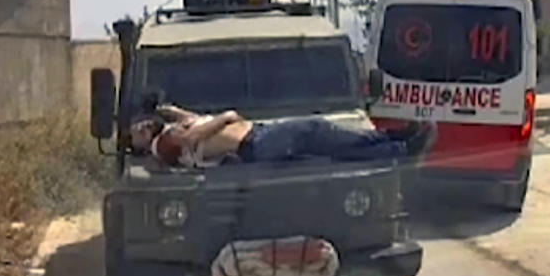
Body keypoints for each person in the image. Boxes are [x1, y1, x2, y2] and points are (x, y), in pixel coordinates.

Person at [129, 103, 436, 168]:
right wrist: (227, 117)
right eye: (136, 134)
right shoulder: (164, 145)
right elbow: (191, 137)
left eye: (141, 125)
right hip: (254, 145)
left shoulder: (169, 128)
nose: (141, 129)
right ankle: (397, 145)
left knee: (331, 151)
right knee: (316, 130)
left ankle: (396, 142)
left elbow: (191, 120)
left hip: (259, 137)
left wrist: (168, 110)